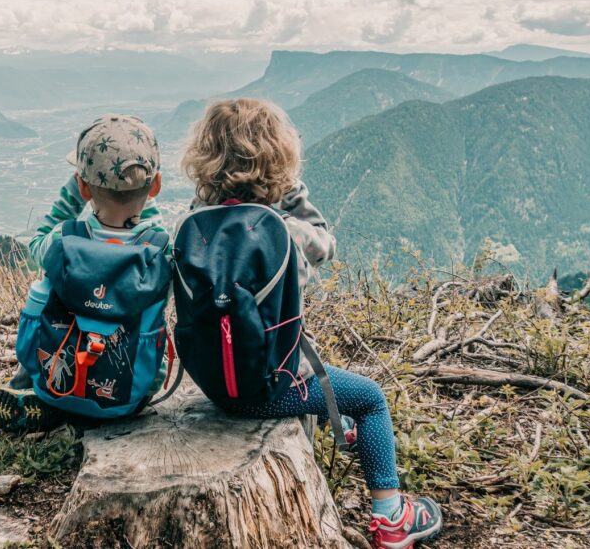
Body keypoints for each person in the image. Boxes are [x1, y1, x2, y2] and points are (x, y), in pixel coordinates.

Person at [178, 98, 442, 549]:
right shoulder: (288, 231)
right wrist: (293, 193)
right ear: (279, 161)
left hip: (213, 385)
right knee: (372, 399)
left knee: (310, 375)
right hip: (271, 388)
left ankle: (333, 429)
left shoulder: (192, 224)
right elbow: (326, 243)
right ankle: (392, 517)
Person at [0, 113, 172, 432]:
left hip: (56, 382)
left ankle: (45, 395)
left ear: (83, 187)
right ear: (156, 185)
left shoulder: (63, 241)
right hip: (129, 397)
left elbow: (37, 239)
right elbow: (151, 228)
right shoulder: (159, 253)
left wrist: (77, 192)